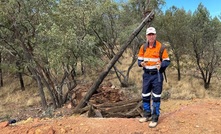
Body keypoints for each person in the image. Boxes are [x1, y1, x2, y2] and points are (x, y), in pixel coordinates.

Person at [137, 27, 170, 128]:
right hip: (146, 75)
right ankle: (147, 115)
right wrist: (141, 63)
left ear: (155, 35)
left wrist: (162, 65)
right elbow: (139, 61)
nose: (151, 36)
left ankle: (155, 118)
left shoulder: (161, 47)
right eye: (149, 35)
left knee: (156, 97)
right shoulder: (143, 47)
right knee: (145, 95)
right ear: (146, 36)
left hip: (157, 75)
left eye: (152, 34)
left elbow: (167, 60)